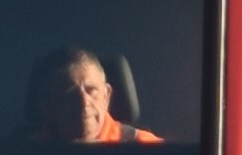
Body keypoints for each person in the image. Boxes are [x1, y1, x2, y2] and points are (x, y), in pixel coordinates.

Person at [23, 46, 161, 146]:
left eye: (91, 90)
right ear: (47, 104)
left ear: (106, 96)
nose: (83, 102)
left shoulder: (148, 149)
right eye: (70, 93)